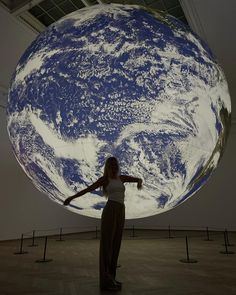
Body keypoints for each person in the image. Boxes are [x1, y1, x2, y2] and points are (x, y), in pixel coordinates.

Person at [64, 156, 143, 291]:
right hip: (110, 210)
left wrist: (139, 183)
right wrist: (71, 198)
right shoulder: (105, 180)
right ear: (107, 167)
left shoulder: (121, 178)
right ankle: (105, 280)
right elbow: (87, 189)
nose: (113, 167)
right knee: (107, 245)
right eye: (111, 165)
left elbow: (138, 178)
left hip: (121, 211)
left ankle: (111, 278)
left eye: (115, 164)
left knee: (116, 244)